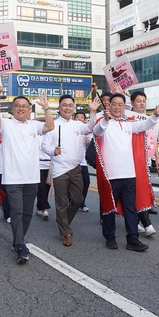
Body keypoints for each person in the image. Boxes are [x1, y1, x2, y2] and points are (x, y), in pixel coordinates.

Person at [92, 93, 159, 251]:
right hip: (110, 175)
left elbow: (145, 125)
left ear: (124, 107)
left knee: (130, 208)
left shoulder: (128, 124)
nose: (117, 107)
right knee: (109, 208)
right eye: (114, 104)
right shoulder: (103, 122)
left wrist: (155, 115)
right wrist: (105, 119)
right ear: (109, 106)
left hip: (128, 174)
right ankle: (110, 237)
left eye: (120, 104)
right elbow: (97, 131)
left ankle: (132, 238)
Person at [0, 83, 54, 264]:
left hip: (32, 177)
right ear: (12, 109)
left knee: (27, 213)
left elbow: (49, 126)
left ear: (29, 110)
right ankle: (20, 245)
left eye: (24, 107)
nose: (21, 109)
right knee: (17, 211)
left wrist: (46, 107)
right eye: (17, 106)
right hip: (12, 177)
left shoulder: (34, 125)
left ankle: (18, 240)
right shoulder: (6, 125)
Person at [41, 95, 99, 246]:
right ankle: (66, 232)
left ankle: (63, 220)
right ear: (59, 107)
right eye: (64, 105)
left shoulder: (77, 125)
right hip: (59, 169)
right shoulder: (53, 124)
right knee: (61, 202)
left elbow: (90, 128)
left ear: (73, 108)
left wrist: (93, 113)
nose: (67, 108)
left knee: (78, 200)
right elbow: (44, 146)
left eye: (70, 105)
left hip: (76, 168)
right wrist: (54, 150)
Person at [128, 91, 159, 236]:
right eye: (138, 101)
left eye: (144, 101)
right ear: (132, 102)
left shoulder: (151, 119)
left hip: (145, 160)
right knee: (135, 191)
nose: (141, 104)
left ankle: (137, 221)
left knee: (142, 190)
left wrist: (157, 158)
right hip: (130, 159)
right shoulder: (127, 117)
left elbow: (153, 141)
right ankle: (146, 223)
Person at [74, 111, 91, 212]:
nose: (79, 118)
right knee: (71, 183)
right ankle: (72, 200)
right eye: (77, 117)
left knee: (86, 182)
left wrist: (87, 142)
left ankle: (82, 202)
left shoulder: (86, 130)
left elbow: (92, 141)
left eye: (81, 117)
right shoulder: (70, 128)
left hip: (82, 162)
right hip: (71, 162)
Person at [34, 135, 52, 221]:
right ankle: (45, 209)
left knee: (47, 187)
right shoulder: (36, 135)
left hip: (49, 164)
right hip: (38, 164)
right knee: (41, 187)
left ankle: (39, 206)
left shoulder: (51, 135)